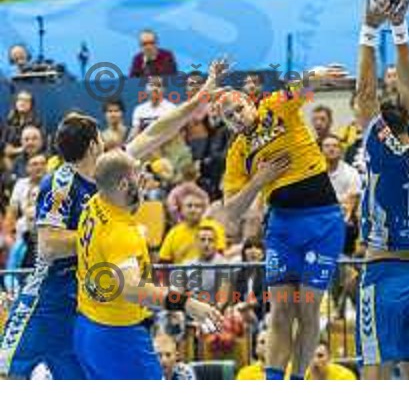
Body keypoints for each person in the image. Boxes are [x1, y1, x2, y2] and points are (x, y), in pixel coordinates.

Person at [0, 61, 234, 379]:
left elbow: (155, 132)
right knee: (9, 370)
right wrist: (95, 238)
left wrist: (200, 99)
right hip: (50, 297)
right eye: (100, 134)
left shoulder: (108, 170)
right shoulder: (60, 185)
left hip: (87, 302)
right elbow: (49, 245)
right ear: (94, 144)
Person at [215, 67, 345, 382]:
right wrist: (259, 180)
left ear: (250, 102)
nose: (237, 117)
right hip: (283, 230)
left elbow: (301, 85)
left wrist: (315, 74)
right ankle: (274, 381)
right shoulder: (238, 154)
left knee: (308, 311)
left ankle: (298, 378)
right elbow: (230, 212)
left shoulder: (275, 105)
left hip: (323, 223)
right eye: (229, 117)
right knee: (282, 311)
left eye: (238, 109)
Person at [74, 150, 222, 380]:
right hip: (118, 335)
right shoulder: (121, 233)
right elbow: (133, 289)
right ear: (123, 184)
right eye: (136, 174)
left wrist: (135, 196)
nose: (143, 177)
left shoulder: (96, 203)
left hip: (88, 325)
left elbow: (120, 209)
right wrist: (187, 303)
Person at [354, 0, 409, 380]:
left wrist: (370, 29)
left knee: (376, 374)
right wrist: (400, 28)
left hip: (383, 274)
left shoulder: (384, 154)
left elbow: (365, 94)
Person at [322, 134, 362, 208]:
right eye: (327, 146)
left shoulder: (351, 173)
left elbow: (354, 199)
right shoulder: (316, 174)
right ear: (321, 151)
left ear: (341, 151)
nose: (331, 149)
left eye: (335, 146)